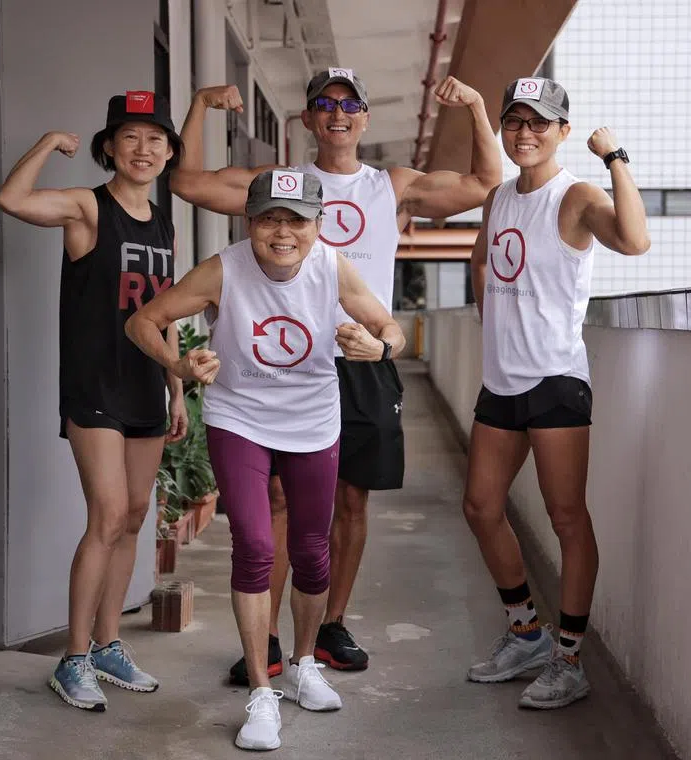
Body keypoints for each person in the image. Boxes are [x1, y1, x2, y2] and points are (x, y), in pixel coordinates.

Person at [171, 68, 502, 682]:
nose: (338, 113)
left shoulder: (391, 185)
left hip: (361, 351)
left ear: (366, 119)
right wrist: (199, 106)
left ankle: (330, 625)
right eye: (325, 104)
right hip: (283, 357)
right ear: (307, 120)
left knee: (351, 499)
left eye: (350, 104)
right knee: (275, 500)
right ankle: (264, 636)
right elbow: (188, 181)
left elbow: (486, 183)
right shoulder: (277, 187)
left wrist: (479, 106)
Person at [126, 169, 406, 751]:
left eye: (297, 219)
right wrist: (179, 367)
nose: (284, 232)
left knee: (310, 549)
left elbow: (388, 326)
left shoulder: (332, 266)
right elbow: (144, 320)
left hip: (313, 421)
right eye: (270, 218)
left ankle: (305, 662)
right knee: (255, 546)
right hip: (241, 419)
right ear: (249, 222)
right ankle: (261, 690)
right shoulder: (223, 269)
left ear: (318, 224)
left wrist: (379, 346)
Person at [0, 91, 214, 712]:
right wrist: (46, 143)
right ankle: (72, 657)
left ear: (169, 152)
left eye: (155, 140)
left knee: (138, 514)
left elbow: (165, 312)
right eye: (130, 138)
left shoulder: (164, 219)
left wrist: (176, 388)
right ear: (109, 148)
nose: (143, 150)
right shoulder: (87, 209)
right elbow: (10, 201)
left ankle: (109, 644)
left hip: (146, 382)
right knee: (108, 514)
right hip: (94, 384)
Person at [462, 77, 650, 709]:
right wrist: (492, 320)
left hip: (555, 381)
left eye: (539, 123)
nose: (525, 132)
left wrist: (616, 159)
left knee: (566, 517)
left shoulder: (576, 195)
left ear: (562, 131)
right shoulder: (498, 198)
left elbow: (634, 240)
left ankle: (570, 660)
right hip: (501, 380)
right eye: (515, 121)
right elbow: (483, 261)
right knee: (481, 508)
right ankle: (527, 634)